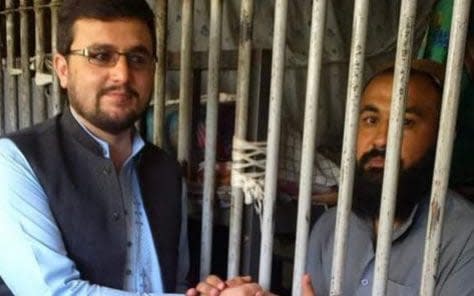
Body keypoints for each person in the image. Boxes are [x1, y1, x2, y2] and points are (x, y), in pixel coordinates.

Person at [187, 60, 474, 295]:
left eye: (406, 122)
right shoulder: (330, 229)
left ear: (443, 137)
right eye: (371, 120)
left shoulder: (464, 239)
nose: (381, 140)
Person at [0, 0, 188, 294]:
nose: (123, 75)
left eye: (138, 59)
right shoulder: (14, 161)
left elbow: (176, 284)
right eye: (101, 56)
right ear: (62, 70)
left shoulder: (166, 171)